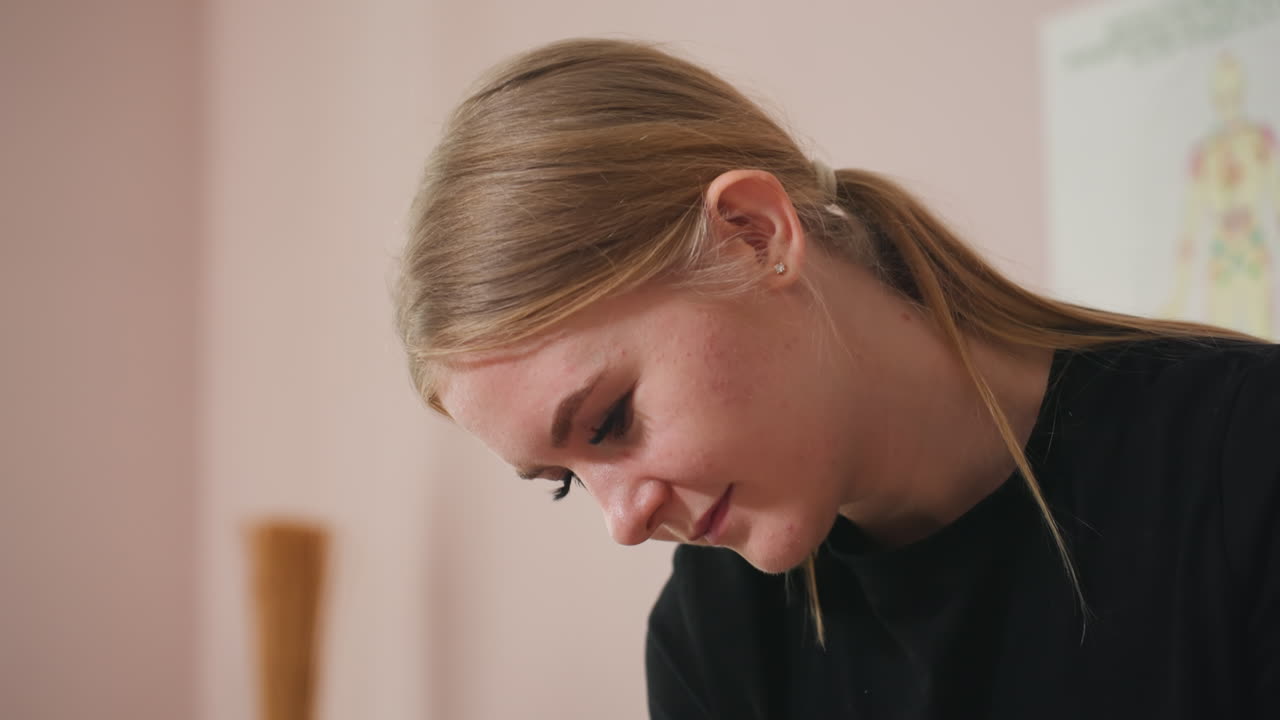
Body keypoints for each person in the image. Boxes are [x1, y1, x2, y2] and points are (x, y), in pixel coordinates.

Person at [395, 37, 1279, 718]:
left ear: (753, 235)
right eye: (563, 481)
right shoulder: (711, 634)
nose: (623, 524)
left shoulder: (1246, 459)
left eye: (609, 420)